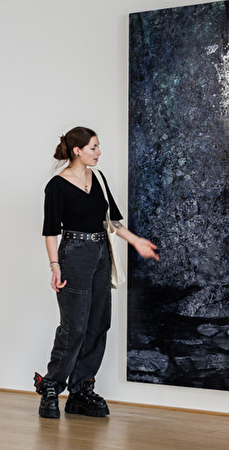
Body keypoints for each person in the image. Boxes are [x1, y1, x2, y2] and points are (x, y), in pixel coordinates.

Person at [35, 128, 159, 419]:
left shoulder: (99, 179)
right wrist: (55, 266)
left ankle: (80, 390)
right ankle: (51, 387)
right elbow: (51, 232)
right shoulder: (57, 186)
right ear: (77, 151)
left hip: (102, 253)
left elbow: (112, 221)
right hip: (74, 254)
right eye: (94, 147)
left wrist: (136, 241)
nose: (99, 152)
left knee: (98, 322)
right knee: (74, 326)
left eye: (98, 147)